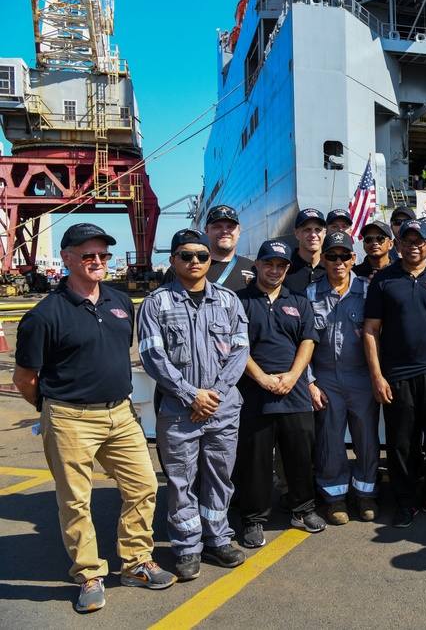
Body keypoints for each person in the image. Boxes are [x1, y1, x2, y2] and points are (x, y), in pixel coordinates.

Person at [13, 223, 176, 613]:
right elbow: (25, 378)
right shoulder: (44, 315)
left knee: (143, 487)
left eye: (103, 254)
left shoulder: (121, 302)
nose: (98, 261)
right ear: (67, 258)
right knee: (76, 500)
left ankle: (136, 562)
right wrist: (51, 409)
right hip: (70, 417)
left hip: (120, 413)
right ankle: (88, 574)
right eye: (88, 255)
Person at [138, 229, 250, 581]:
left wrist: (213, 394)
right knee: (180, 481)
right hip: (179, 410)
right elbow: (152, 355)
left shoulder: (230, 301)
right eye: (186, 255)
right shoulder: (156, 304)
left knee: (220, 477)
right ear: (173, 260)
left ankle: (217, 538)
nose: (195, 262)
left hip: (222, 407)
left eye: (202, 256)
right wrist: (191, 394)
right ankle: (187, 548)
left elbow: (240, 350)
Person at [363, 219, 426, 527]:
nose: (412, 247)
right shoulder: (383, 280)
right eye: (406, 242)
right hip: (397, 375)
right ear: (398, 245)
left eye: (418, 241)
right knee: (401, 443)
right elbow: (370, 330)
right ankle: (406, 501)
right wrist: (377, 376)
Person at [236, 239, 325, 547]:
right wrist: (260, 377)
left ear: (288, 268)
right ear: (257, 265)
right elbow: (236, 346)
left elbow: (308, 341)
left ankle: (304, 509)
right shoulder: (239, 301)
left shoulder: (298, 300)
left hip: (294, 392)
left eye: (281, 265)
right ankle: (253, 519)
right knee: (255, 462)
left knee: (300, 457)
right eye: (269, 263)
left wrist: (293, 376)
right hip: (254, 393)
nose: (274, 270)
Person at [307, 232, 380, 524]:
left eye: (344, 256)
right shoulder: (309, 295)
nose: (338, 262)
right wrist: (309, 382)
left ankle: (365, 494)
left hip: (361, 376)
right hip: (325, 378)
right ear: (323, 259)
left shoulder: (369, 291)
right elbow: (300, 342)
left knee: (366, 437)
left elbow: (382, 333)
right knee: (329, 439)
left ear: (354, 259)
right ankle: (335, 498)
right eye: (331, 256)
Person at [160, 204, 256, 290]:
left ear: (239, 231)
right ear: (206, 231)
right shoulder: (181, 269)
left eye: (230, 227)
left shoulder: (253, 268)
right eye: (217, 227)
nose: (225, 231)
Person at [283, 208, 328, 294]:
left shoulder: (332, 267)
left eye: (317, 230)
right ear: (297, 233)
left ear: (324, 233)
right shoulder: (284, 269)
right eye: (307, 230)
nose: (313, 235)